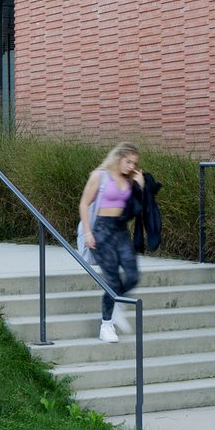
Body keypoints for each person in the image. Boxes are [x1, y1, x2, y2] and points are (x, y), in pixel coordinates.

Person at [77, 142, 145, 342]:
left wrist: (140, 187)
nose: (132, 166)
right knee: (113, 280)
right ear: (118, 158)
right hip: (101, 231)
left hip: (121, 232)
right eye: (128, 161)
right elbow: (84, 203)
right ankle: (106, 325)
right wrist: (88, 232)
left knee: (132, 276)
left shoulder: (130, 180)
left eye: (135, 163)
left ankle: (115, 304)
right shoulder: (100, 175)